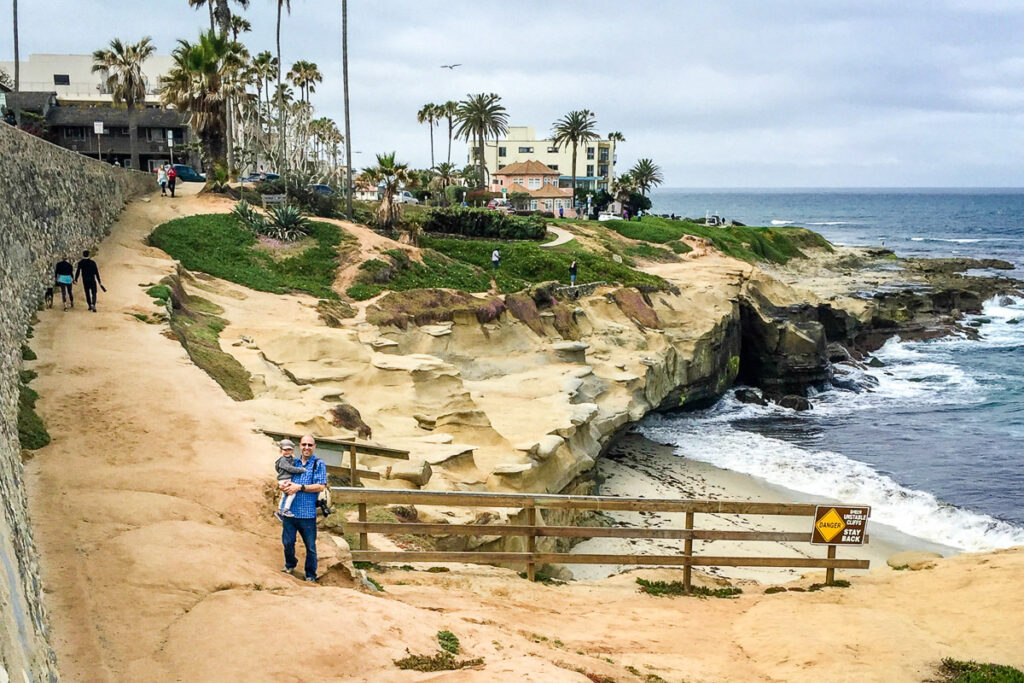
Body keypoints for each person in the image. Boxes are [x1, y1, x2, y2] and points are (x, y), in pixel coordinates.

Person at [280, 435, 327, 582]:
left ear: (314, 447)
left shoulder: (318, 464)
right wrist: (282, 485)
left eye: (310, 445)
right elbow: (282, 477)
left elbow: (321, 486)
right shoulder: (291, 461)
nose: (306, 447)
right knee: (287, 543)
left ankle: (310, 575)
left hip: (307, 513)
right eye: (304, 444)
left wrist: (300, 487)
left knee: (310, 547)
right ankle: (290, 564)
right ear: (299, 446)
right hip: (289, 511)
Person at [273, 439, 307, 521]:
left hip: (285, 479)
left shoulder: (290, 458)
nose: (287, 452)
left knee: (284, 495)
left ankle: (280, 511)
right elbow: (289, 468)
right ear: (281, 450)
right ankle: (286, 510)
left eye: (289, 450)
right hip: (285, 479)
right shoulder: (283, 460)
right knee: (292, 493)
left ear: (292, 450)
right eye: (285, 450)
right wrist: (301, 470)